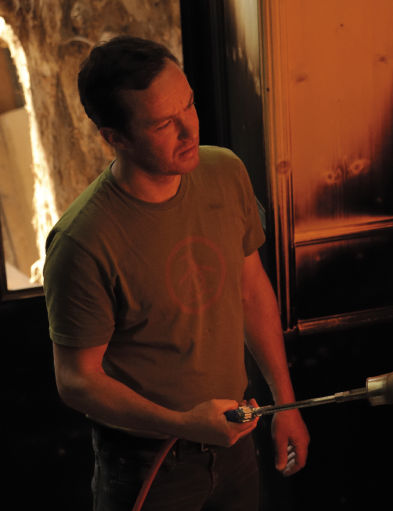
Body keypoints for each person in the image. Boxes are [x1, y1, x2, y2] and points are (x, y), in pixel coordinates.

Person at [43, 35, 309, 510]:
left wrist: (283, 405)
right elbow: (76, 379)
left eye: (189, 105)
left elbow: (251, 293)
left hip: (236, 441)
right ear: (115, 137)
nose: (189, 131)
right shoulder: (83, 241)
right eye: (165, 123)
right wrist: (183, 423)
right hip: (147, 465)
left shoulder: (223, 172)